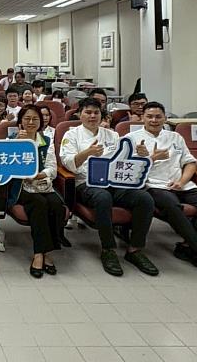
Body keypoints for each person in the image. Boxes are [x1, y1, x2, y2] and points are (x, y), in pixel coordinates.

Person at [129, 102, 197, 277]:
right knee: (174, 207)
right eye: (149, 116)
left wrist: (181, 181)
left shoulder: (175, 137)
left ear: (165, 118)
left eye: (158, 116)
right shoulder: (132, 139)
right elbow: (130, 170)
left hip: (182, 185)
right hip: (154, 186)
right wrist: (150, 158)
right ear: (142, 118)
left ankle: (188, 247)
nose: (154, 120)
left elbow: (190, 162)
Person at [59, 97, 158, 277]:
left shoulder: (112, 135)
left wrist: (142, 155)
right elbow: (68, 164)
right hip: (86, 183)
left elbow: (125, 161)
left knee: (145, 199)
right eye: (88, 112)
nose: (92, 116)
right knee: (103, 198)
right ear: (79, 114)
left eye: (96, 112)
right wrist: (87, 153)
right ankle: (108, 249)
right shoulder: (71, 135)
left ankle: (135, 249)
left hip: (114, 182)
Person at [8, 105, 65, 278]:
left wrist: (40, 174)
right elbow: (7, 166)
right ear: (20, 121)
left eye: (35, 119)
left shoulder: (46, 140)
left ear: (41, 121)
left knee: (56, 205)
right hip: (21, 186)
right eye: (27, 118)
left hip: (41, 183)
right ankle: (39, 254)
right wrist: (18, 143)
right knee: (39, 203)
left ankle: (47, 251)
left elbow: (52, 168)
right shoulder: (12, 139)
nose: (31, 122)